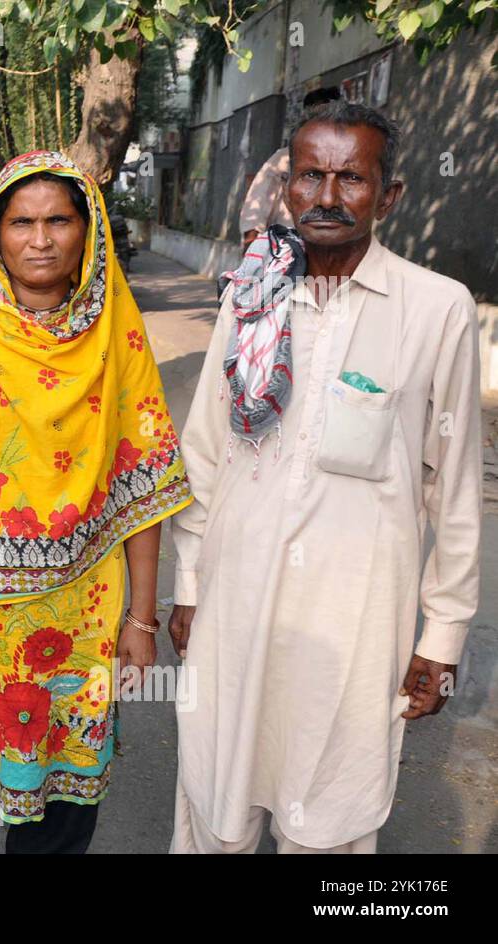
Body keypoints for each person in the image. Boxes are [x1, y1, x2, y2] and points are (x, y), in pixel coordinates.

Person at [169, 102, 481, 854]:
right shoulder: (251, 294)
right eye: (311, 175)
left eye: (352, 178)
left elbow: (457, 486)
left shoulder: (437, 308)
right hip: (237, 600)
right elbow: (207, 452)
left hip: (356, 616)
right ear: (288, 187)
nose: (329, 197)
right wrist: (188, 588)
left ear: (389, 194)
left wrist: (442, 636)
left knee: (333, 819)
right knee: (216, 802)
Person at [0, 150, 193, 854]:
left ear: (88, 229)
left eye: (59, 221)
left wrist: (142, 619)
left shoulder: (117, 337)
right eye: (22, 222)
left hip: (80, 611)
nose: (40, 240)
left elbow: (143, 480)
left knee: (66, 813)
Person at [239, 87, 341, 248]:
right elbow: (260, 197)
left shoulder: (347, 160)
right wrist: (252, 240)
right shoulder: (285, 158)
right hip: (290, 250)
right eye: (317, 117)